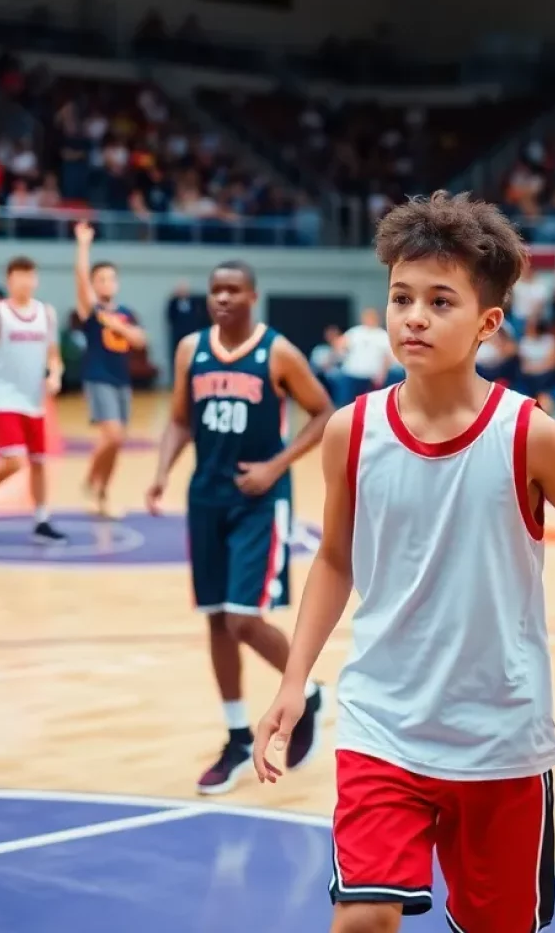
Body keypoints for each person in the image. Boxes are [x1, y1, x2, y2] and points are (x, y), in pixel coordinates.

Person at [252, 191, 555, 933]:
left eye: (440, 300)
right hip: (382, 724)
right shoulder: (350, 432)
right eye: (401, 297)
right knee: (363, 919)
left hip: (501, 736)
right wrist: (295, 679)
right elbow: (335, 560)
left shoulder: (530, 435)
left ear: (489, 323)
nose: (414, 317)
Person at [146, 260, 333, 795]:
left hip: (259, 500)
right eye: (215, 290)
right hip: (206, 497)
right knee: (214, 619)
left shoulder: (276, 351)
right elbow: (181, 418)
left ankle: (309, 692)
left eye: (233, 290)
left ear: (252, 296)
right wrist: (162, 471)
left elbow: (322, 412)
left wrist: (276, 465)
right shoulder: (191, 350)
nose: (222, 298)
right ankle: (235, 737)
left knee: (243, 619)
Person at [0, 256, 66, 543]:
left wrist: (56, 374)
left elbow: (53, 355)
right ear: (9, 281)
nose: (26, 282)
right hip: (4, 395)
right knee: (14, 460)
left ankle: (41, 520)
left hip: (34, 397)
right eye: (20, 277)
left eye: (30, 276)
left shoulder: (46, 313)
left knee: (39, 461)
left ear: (36, 280)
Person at [74, 221, 147, 519]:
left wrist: (118, 325)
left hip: (122, 381)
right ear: (94, 285)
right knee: (113, 436)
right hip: (98, 377)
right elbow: (80, 278)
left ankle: (103, 494)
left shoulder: (125, 313)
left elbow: (141, 340)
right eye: (100, 279)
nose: (106, 283)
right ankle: (91, 480)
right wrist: (83, 246)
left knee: (118, 444)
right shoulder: (91, 311)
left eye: (110, 279)